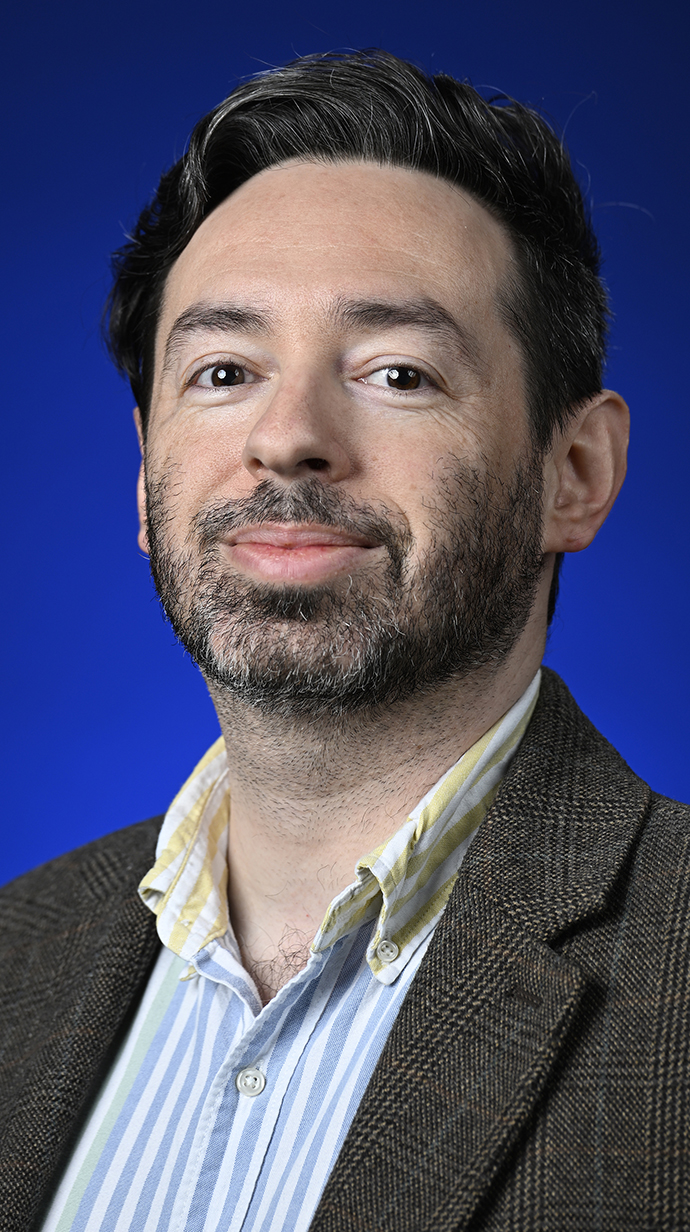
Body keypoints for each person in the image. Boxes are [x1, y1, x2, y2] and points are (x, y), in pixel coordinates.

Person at [1, 49, 688, 1232]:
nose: (290, 437)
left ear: (575, 475)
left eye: (397, 372)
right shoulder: (16, 955)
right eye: (224, 370)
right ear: (144, 473)